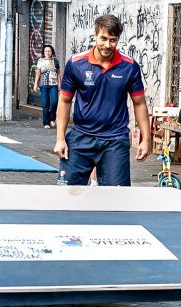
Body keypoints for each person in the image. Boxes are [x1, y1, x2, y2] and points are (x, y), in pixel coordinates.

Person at [53, 14, 151, 186]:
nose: (107, 45)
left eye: (112, 40)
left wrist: (146, 139)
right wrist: (60, 138)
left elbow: (139, 103)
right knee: (67, 195)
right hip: (81, 136)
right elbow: (64, 101)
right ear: (95, 35)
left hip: (115, 139)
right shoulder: (76, 64)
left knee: (116, 200)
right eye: (103, 38)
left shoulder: (129, 67)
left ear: (118, 39)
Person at [33, 44, 61, 129]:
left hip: (54, 84)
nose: (47, 53)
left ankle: (52, 119)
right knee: (45, 104)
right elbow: (38, 73)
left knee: (54, 102)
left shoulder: (55, 61)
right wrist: (35, 84)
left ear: (52, 52)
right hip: (43, 84)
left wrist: (60, 84)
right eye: (46, 51)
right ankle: (46, 122)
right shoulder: (40, 61)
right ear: (43, 52)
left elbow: (58, 73)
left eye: (49, 51)